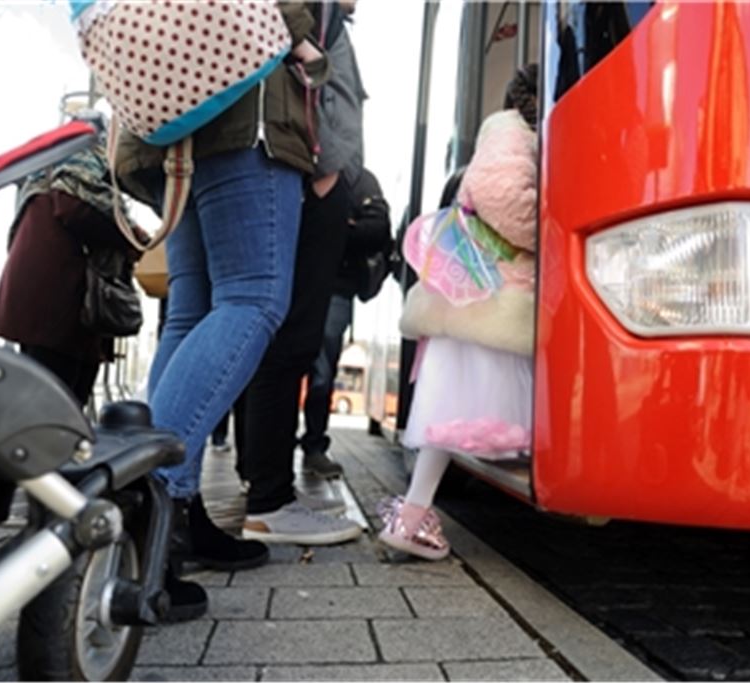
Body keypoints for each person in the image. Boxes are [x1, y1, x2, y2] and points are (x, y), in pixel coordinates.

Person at [115, 3, 329, 568]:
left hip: (172, 120)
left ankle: (175, 515)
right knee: (253, 298)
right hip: (241, 108)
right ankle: (151, 499)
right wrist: (303, 39)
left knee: (193, 311)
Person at [378, 67, 539, 561]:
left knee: (446, 419)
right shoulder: (512, 133)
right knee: (457, 415)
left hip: (472, 294)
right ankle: (409, 519)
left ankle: (410, 517)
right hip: (491, 297)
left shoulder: (504, 131)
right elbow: (501, 196)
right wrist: (548, 232)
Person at [231, 0, 368, 545]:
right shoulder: (317, 11)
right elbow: (316, 81)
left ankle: (252, 484)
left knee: (269, 334)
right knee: (289, 338)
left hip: (296, 168)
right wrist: (329, 170)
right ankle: (269, 498)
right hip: (309, 174)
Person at [0, 125, 130, 407]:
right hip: (61, 297)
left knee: (45, 386)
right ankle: (50, 449)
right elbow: (75, 208)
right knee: (58, 396)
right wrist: (130, 237)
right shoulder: (81, 167)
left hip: (40, 296)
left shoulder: (42, 171)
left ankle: (42, 446)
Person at [298, 168, 391, 478]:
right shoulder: (296, 166)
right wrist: (343, 224)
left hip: (336, 289)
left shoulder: (360, 179)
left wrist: (324, 225)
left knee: (322, 374)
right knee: (280, 370)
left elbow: (378, 229)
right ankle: (272, 453)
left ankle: (314, 447)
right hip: (292, 285)